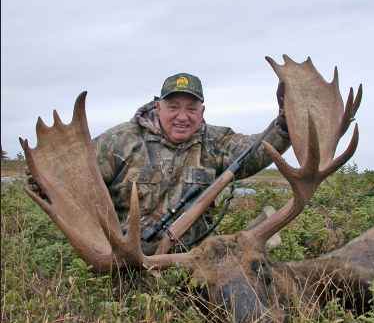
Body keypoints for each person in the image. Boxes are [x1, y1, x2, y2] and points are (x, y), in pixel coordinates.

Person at [27, 73, 291, 255]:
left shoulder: (216, 142)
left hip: (191, 267)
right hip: (127, 266)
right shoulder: (119, 141)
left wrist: (284, 125)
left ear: (202, 112)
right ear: (158, 107)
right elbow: (70, 177)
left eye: (191, 108)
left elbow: (257, 151)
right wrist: (43, 180)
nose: (182, 117)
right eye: (173, 106)